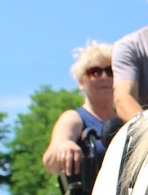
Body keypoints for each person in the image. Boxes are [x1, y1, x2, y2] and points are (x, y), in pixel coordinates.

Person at [41, 41, 116, 175]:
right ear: (81, 82)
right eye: (95, 72)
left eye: (110, 71)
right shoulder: (75, 118)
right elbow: (50, 162)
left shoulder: (127, 122)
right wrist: (64, 145)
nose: (104, 77)